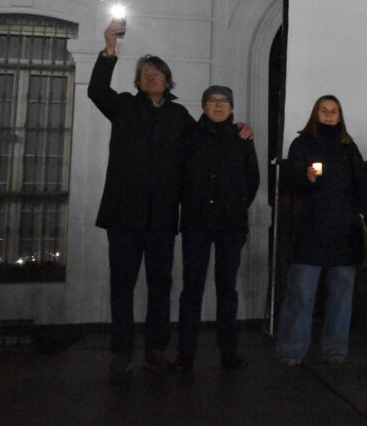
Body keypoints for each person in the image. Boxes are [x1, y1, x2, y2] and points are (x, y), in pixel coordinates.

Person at [89, 20, 196, 382]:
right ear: (137, 81)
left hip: (163, 216)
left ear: (168, 81)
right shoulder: (122, 106)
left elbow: (203, 147)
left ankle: (155, 351)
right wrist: (108, 50)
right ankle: (121, 353)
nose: (151, 77)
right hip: (123, 215)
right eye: (145, 73)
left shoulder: (180, 116)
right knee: (122, 284)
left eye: (157, 73)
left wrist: (240, 131)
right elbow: (96, 89)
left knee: (160, 285)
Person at [275, 95, 367, 366]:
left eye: (334, 111)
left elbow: (362, 182)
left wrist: (360, 212)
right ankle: (291, 350)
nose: (329, 115)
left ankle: (336, 348)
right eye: (324, 110)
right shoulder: (302, 143)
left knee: (341, 294)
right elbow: (290, 183)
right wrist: (306, 179)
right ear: (316, 114)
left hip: (344, 230)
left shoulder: (349, 147)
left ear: (340, 116)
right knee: (301, 293)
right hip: (310, 228)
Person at [176, 86, 260, 373]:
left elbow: (253, 178)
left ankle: (229, 353)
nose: (218, 106)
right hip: (196, 223)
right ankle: (185, 355)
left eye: (224, 102)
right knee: (192, 290)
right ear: (203, 106)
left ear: (232, 108)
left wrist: (234, 204)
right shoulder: (189, 135)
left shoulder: (241, 137)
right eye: (212, 101)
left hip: (230, 225)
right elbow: (179, 176)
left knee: (227, 290)